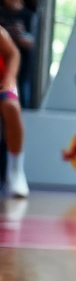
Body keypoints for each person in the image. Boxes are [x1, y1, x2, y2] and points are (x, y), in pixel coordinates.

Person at [0, 27, 27, 197]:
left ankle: (16, 170)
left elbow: (14, 53)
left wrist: (9, 78)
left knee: (11, 107)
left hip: (3, 81)